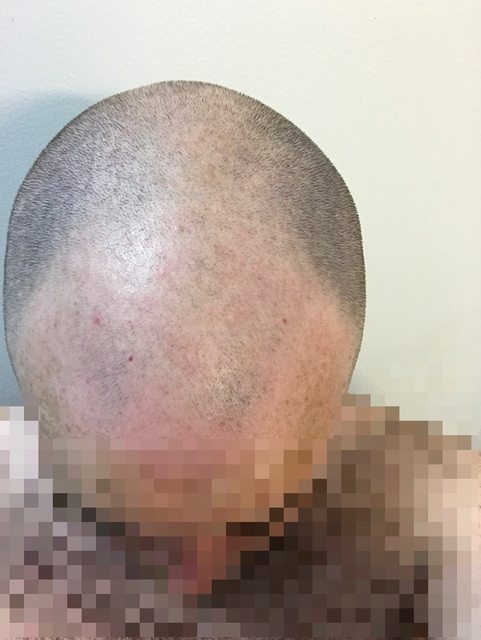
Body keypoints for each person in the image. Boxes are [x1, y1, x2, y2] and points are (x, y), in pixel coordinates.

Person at [2, 81, 479, 638]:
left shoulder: (434, 520)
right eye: (113, 523)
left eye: (258, 522)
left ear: (335, 408)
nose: (191, 585)